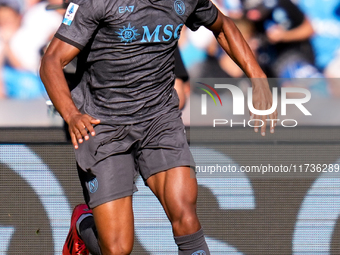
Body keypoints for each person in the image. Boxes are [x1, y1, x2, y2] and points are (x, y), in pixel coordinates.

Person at [40, 0, 276, 255]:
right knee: (117, 249)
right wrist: (72, 115)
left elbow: (223, 25)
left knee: (185, 217)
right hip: (104, 124)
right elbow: (52, 61)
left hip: (159, 119)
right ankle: (82, 224)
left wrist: (258, 76)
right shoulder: (98, 2)